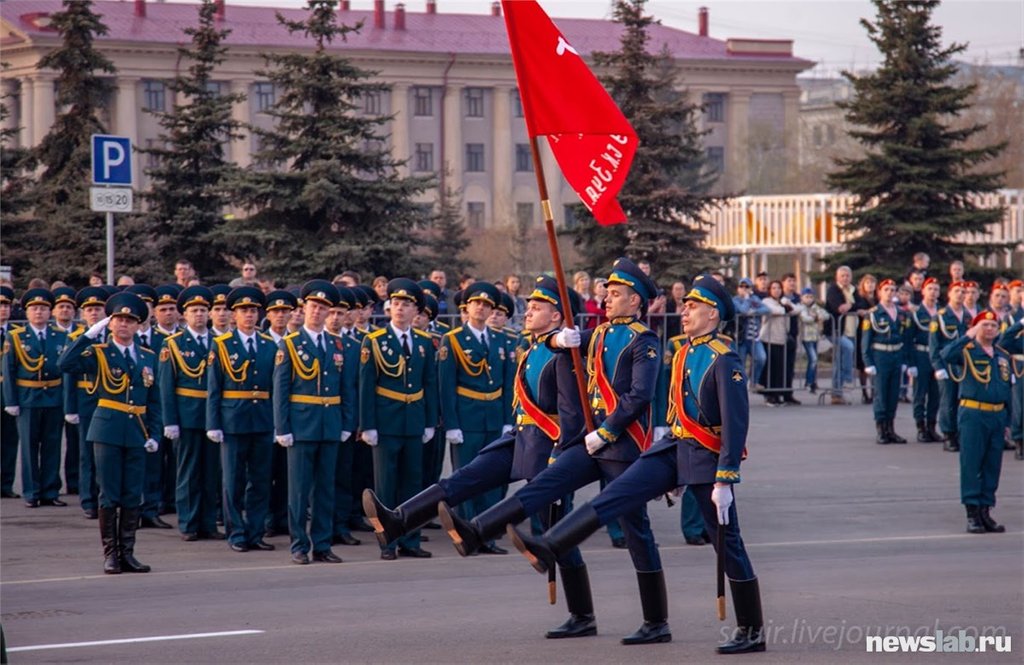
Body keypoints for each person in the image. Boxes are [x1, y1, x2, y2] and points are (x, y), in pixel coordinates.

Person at [508, 274, 766, 655]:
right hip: (674, 448)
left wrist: (725, 479)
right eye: (686, 305)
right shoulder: (683, 352)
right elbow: (676, 407)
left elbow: (735, 423)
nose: (685, 311)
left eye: (693, 307)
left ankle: (752, 629)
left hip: (705, 455)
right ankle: (552, 544)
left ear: (713, 314)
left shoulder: (723, 359)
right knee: (620, 494)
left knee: (726, 541)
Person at [438, 258, 667, 645]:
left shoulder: (643, 341)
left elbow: (639, 395)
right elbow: (552, 342)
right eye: (606, 294)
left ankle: (656, 620)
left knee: (636, 530)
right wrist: (558, 338)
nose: (607, 300)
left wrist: (608, 431)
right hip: (590, 442)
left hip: (622, 446)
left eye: (615, 295)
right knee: (546, 482)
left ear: (636, 301)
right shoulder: (597, 334)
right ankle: (478, 531)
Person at [364, 276, 598, 638]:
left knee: (556, 532)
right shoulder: (535, 346)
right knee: (466, 476)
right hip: (521, 437)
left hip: (548, 447)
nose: (529, 310)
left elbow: (571, 416)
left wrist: (561, 456)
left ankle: (582, 614)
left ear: (556, 316)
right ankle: (399, 520)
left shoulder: (561, 355)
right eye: (530, 305)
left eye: (537, 307)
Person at [58, 292, 161, 574]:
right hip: (107, 430)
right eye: (119, 320)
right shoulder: (99, 352)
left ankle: (128, 553)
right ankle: (111, 554)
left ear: (139, 325)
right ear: (110, 323)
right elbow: (65, 364)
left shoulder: (147, 356)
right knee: (109, 493)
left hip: (138, 431)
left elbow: (154, 399)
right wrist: (89, 336)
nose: (124, 325)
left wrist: (155, 433)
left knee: (131, 494)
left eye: (130, 320)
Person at [274, 280, 356, 565]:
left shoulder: (337, 344)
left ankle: (322, 544)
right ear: (304, 308)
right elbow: (281, 389)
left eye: (323, 308)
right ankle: (299, 544)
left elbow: (346, 388)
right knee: (298, 489)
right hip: (301, 425)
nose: (318, 312)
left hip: (330, 424)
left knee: (325, 489)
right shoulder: (291, 344)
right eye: (313, 306)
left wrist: (347, 422)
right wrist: (282, 428)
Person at [358, 279, 437, 560]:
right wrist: (367, 425)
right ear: (389, 306)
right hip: (386, 421)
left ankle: (410, 539)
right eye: (396, 303)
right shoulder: (375, 341)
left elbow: (430, 383)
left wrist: (430, 421)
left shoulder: (425, 342)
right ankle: (387, 542)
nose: (400, 308)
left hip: (413, 421)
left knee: (412, 484)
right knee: (385, 486)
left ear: (416, 310)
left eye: (407, 304)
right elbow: (366, 385)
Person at [437, 281, 515, 554]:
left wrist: (508, 419)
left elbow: (508, 385)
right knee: (467, 477)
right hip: (467, 418)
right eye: (476, 304)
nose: (481, 309)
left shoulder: (502, 340)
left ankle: (487, 533)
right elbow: (446, 386)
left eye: (486, 305)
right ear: (466, 307)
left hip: (493, 417)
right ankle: (464, 532)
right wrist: (452, 424)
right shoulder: (453, 339)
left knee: (491, 478)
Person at [206, 287, 279, 553]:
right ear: (234, 315)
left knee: (260, 481)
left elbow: (276, 387)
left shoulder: (270, 345)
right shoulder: (222, 344)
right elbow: (214, 388)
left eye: (252, 311)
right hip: (233, 419)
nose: (249, 315)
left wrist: (277, 423)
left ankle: (256, 532)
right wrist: (213, 423)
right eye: (243, 311)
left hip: (262, 419)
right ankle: (235, 532)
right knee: (233, 481)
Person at [940, 311, 1013, 534]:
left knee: (992, 466)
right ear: (975, 328)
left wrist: (1008, 421)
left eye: (993, 325)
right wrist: (967, 336)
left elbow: (1006, 389)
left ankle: (985, 510)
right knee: (971, 464)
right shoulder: (967, 351)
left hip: (997, 415)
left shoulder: (1002, 355)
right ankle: (972, 513)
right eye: (984, 325)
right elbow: (946, 354)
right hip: (973, 413)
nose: (989, 329)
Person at [159, 286, 223, 541]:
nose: (199, 314)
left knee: (211, 473)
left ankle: (208, 523)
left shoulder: (219, 343)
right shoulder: (173, 344)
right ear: (184, 315)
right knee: (187, 471)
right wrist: (170, 420)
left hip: (213, 416)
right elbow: (166, 385)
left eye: (203, 310)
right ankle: (188, 522)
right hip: (187, 416)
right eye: (193, 310)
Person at [2, 288, 68, 508]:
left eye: (43, 308)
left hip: (54, 397)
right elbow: (9, 370)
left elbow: (65, 372)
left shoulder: (60, 336)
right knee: (29, 447)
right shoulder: (16, 336)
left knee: (52, 445)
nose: (39, 312)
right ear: (27, 313)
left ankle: (50, 490)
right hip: (28, 397)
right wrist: (11, 401)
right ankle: (32, 491)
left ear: (50, 312)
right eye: (34, 309)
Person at [261, 289, 298, 538]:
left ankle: (283, 519)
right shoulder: (262, 341)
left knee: (286, 474)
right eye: (276, 312)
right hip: (263, 415)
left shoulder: (296, 341)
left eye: (285, 312)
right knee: (264, 473)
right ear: (268, 315)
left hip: (289, 416)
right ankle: (265, 520)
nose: (281, 316)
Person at [861, 279, 913, 444]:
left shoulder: (901, 313)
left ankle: (891, 429)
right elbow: (866, 340)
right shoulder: (874, 313)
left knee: (892, 394)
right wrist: (868, 362)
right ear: (879, 292)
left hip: (896, 356)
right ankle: (881, 429)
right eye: (886, 290)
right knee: (881, 394)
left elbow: (905, 338)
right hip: (880, 356)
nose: (890, 293)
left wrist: (905, 360)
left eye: (893, 290)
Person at [929, 281, 969, 452]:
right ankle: (948, 434)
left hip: (965, 365)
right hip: (947, 365)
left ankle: (960, 433)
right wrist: (938, 366)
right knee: (948, 401)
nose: (960, 294)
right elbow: (934, 345)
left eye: (963, 291)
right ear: (949, 294)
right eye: (957, 291)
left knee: (963, 401)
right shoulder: (940, 316)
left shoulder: (968, 316)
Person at [909, 278, 943, 442]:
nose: (933, 292)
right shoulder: (916, 314)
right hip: (921, 355)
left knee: (935, 394)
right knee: (920, 393)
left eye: (936, 289)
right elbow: (908, 339)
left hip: (936, 357)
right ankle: (920, 427)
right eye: (930, 289)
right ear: (923, 291)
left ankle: (931, 426)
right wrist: (910, 363)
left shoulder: (942, 313)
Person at [825, 266, 858, 405]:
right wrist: (850, 305)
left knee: (839, 360)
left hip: (850, 330)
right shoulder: (833, 289)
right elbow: (838, 307)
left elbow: (860, 304)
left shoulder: (853, 290)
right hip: (835, 330)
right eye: (842, 275)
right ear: (837, 277)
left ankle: (837, 393)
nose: (845, 278)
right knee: (848, 347)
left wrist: (850, 305)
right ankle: (847, 379)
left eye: (847, 275)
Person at [757, 281, 793, 406]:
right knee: (770, 368)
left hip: (781, 339)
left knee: (779, 369)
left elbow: (795, 309)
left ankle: (778, 394)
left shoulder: (783, 301)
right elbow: (774, 311)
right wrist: (785, 308)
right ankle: (769, 395)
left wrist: (787, 307)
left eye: (779, 288)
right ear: (770, 290)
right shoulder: (766, 301)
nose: (777, 290)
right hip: (769, 338)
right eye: (774, 288)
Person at [0, 286, 19, 499]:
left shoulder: (16, 334)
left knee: (10, 441)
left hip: (10, 392)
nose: (3, 309)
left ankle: (6, 484)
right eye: (0, 305)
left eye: (6, 305)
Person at [997, 318, 1023, 461]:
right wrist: (1020, 324)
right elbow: (1003, 342)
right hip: (1019, 366)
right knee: (1019, 407)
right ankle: (1019, 441)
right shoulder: (1012, 318)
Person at [796, 287, 828, 393]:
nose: (809, 299)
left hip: (815, 336)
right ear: (802, 298)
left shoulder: (815, 307)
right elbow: (804, 318)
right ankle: (809, 382)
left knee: (814, 360)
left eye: (811, 297)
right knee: (813, 358)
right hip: (806, 337)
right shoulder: (801, 307)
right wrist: (814, 318)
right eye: (806, 297)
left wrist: (819, 316)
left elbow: (825, 315)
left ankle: (812, 381)